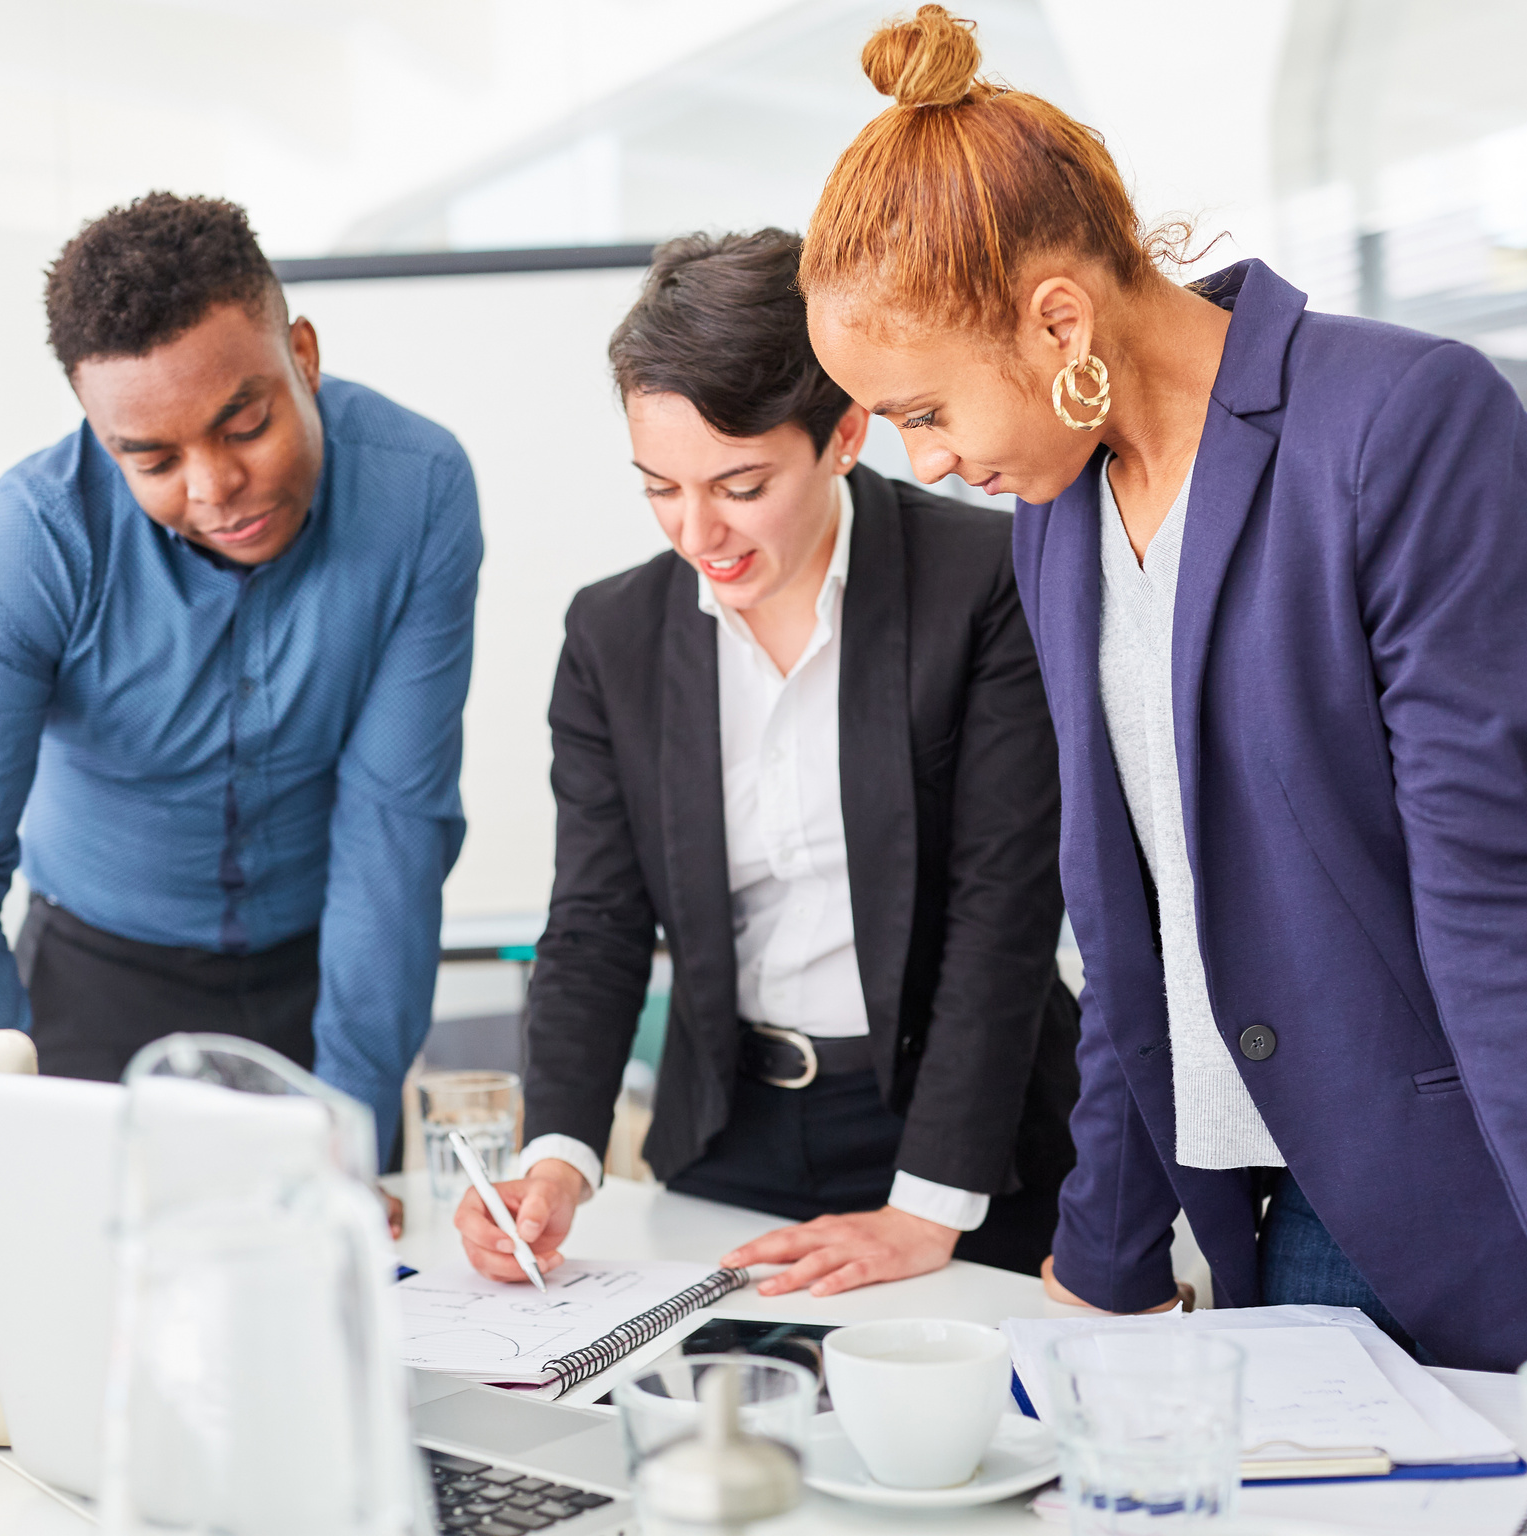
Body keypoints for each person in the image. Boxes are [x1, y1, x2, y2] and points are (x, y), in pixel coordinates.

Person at [794, 5, 1527, 1368]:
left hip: (1517, 1207)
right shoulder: (1061, 512)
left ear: (1059, 320)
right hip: (1268, 1216)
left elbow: (1509, 912)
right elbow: (1130, 925)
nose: (924, 464)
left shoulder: (1402, 421)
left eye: (927, 412)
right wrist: (1101, 1260)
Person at [454, 229, 1078, 1298]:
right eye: (660, 488)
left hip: (970, 1145)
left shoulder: (983, 583)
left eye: (740, 484)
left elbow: (1002, 912)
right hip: (728, 1139)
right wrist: (556, 1156)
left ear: (843, 433)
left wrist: (926, 1207)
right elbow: (597, 919)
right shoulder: (616, 635)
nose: (701, 533)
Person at [0, 194, 482, 1170]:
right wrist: (4, 1137)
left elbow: (392, 829)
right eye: (151, 459)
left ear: (305, 359)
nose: (212, 489)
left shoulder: (419, 489)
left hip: (322, 977)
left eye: (243, 425)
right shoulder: (33, 538)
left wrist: (353, 1123)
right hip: (93, 982)